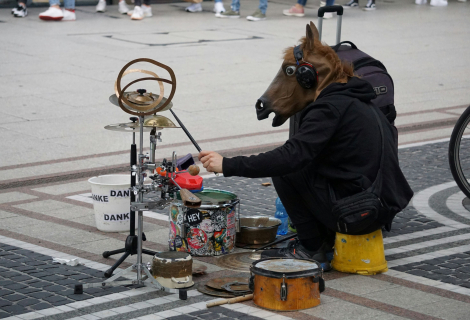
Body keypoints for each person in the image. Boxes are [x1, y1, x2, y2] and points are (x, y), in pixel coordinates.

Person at [198, 22, 412, 269]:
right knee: (301, 165)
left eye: (292, 72)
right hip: (375, 204)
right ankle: (321, 238)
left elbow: (290, 157)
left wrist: (228, 164)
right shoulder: (354, 98)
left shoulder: (329, 107)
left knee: (287, 170)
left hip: (359, 213)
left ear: (307, 75)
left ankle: (312, 248)